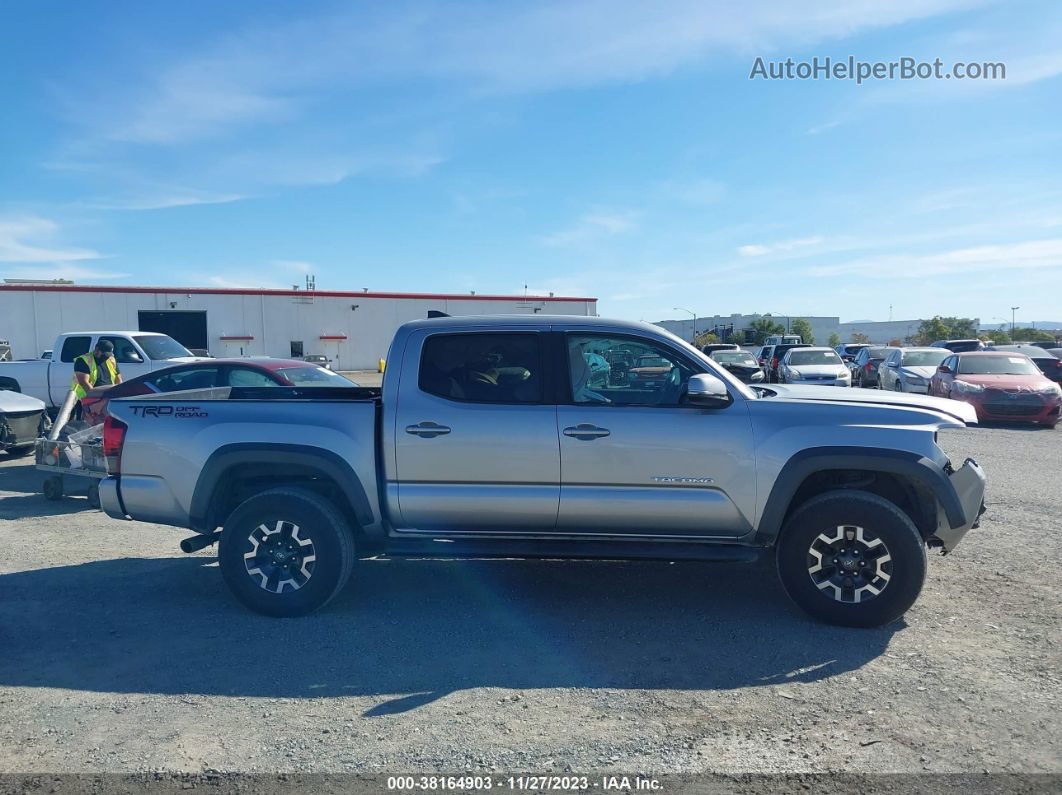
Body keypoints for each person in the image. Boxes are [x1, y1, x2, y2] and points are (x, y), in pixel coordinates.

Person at [71, 340, 123, 418]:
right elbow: (84, 383)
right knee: (87, 427)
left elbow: (118, 380)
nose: (106, 357)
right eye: (104, 354)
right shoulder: (83, 360)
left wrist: (119, 395)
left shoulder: (111, 359)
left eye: (108, 355)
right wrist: (97, 401)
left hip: (108, 398)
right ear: (97, 349)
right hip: (88, 399)